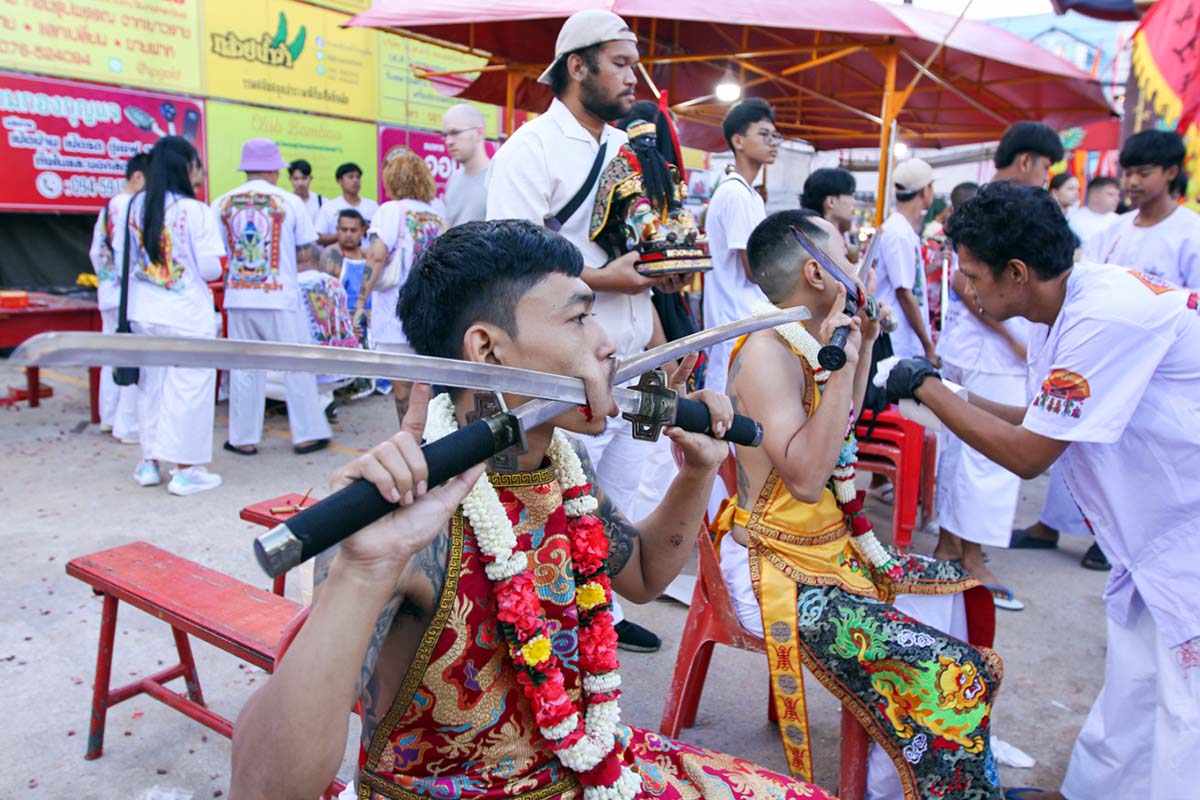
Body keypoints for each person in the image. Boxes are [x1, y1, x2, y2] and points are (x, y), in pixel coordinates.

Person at [228, 219, 837, 800]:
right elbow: (266, 790)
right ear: (487, 350)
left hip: (589, 770)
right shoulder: (400, 511)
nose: (607, 345)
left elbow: (647, 574)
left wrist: (700, 471)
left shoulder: (559, 463)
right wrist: (363, 570)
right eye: (578, 319)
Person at [886, 181, 1200, 800]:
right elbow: (1041, 413)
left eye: (974, 276)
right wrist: (947, 390)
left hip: (1185, 532)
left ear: (1018, 272)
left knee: (1185, 712)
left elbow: (1030, 453)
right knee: (1136, 684)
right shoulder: (1066, 305)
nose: (967, 290)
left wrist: (929, 391)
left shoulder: (1102, 315)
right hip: (1156, 534)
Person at [720, 209, 1003, 799]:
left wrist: (864, 346)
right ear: (817, 274)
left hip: (833, 550)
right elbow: (803, 477)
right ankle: (914, 772)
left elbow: (839, 429)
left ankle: (943, 748)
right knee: (951, 672)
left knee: (953, 587)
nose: (857, 264)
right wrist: (847, 363)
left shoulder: (814, 338)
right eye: (847, 252)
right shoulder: (767, 352)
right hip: (777, 566)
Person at [486, 9, 671, 653]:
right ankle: (547, 617)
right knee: (561, 496)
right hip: (565, 362)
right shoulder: (527, 151)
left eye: (635, 62)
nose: (634, 77)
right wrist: (609, 280)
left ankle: (605, 611)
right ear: (577, 65)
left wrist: (655, 323)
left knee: (617, 494)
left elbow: (638, 250)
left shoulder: (625, 151)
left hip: (632, 354)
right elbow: (514, 266)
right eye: (621, 63)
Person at [934, 166, 1037, 607]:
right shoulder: (1001, 219)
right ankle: (969, 557)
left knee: (963, 452)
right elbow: (963, 280)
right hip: (990, 358)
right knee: (985, 458)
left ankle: (953, 547)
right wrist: (1011, 336)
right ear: (1029, 164)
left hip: (979, 355)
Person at [118, 137, 225, 496]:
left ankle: (149, 462)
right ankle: (185, 470)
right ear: (185, 166)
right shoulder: (194, 211)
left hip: (145, 311)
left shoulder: (134, 205)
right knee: (189, 389)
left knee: (153, 387)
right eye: (196, 163)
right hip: (186, 314)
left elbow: (126, 257)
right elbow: (211, 269)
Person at [212, 138, 332, 457]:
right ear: (271, 168)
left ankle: (243, 438)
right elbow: (306, 247)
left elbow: (218, 251)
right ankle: (307, 434)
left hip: (239, 297)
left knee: (245, 369)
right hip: (280, 297)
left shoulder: (222, 203)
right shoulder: (289, 202)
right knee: (296, 363)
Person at [358, 150, 445, 417]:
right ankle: (429, 444)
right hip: (430, 314)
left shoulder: (390, 210)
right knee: (427, 389)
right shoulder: (436, 215)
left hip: (395, 314)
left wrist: (360, 302)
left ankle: (409, 443)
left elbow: (376, 256)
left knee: (402, 390)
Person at [702, 97, 780, 396]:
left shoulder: (750, 195)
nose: (772, 142)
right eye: (763, 134)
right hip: (732, 322)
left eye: (775, 136)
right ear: (738, 141)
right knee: (725, 411)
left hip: (746, 318)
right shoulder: (734, 194)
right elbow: (753, 269)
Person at [1084, 130, 1199, 288]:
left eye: (1143, 174)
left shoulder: (1192, 233)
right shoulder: (1113, 230)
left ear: (1171, 172)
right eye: (1128, 174)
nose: (1132, 182)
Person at [89, 152, 148, 444]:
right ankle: (128, 426)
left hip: (108, 291)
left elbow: (96, 251)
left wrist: (108, 280)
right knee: (132, 357)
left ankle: (108, 417)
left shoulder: (108, 206)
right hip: (130, 294)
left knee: (110, 353)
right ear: (138, 177)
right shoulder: (134, 206)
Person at [869, 158, 938, 364]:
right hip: (895, 340)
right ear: (925, 191)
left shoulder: (900, 229)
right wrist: (928, 346)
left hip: (898, 337)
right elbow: (904, 292)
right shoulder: (899, 233)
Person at [441, 103, 491, 227]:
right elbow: (447, 229)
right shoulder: (453, 179)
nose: (448, 142)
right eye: (445, 135)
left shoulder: (497, 179)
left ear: (478, 133)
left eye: (455, 133)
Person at [800, 167, 859, 262]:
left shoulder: (807, 235)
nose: (854, 202)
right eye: (851, 195)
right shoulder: (817, 243)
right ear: (831, 201)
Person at [315, 162, 379, 246]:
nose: (355, 180)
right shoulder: (329, 207)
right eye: (351, 177)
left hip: (367, 257)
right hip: (338, 257)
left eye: (358, 177)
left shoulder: (373, 206)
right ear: (340, 181)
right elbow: (318, 238)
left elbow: (383, 235)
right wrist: (345, 234)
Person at [1065, 176, 1121, 248]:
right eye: (1111, 194)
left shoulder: (1120, 222)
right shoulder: (1073, 219)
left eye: (1118, 195)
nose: (1117, 199)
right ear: (1095, 196)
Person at [287, 159, 323, 224]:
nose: (300, 183)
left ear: (311, 178)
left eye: (304, 178)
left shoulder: (321, 202)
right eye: (296, 179)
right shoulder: (284, 202)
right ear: (290, 179)